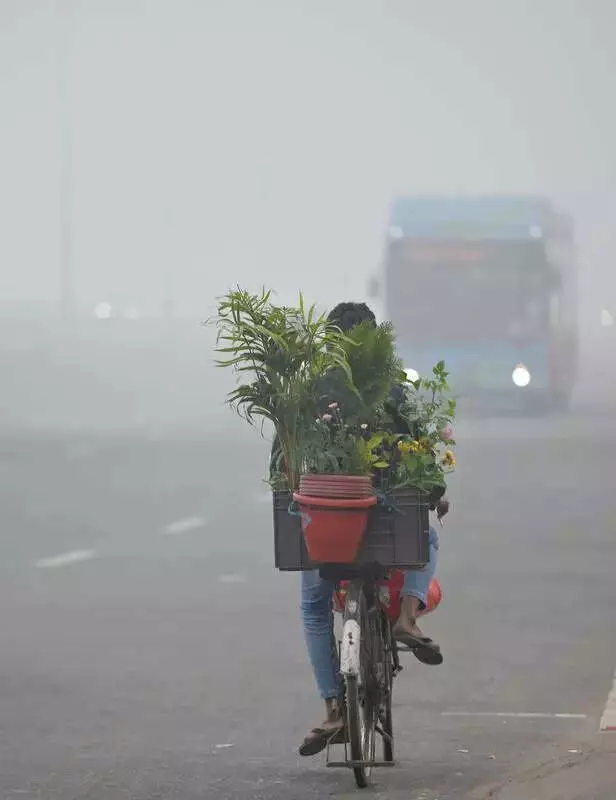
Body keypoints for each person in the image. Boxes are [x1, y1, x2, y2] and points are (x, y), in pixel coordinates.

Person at [282, 301, 449, 757]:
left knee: (314, 608)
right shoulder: (391, 388)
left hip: (325, 524)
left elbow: (283, 458)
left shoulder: (311, 390)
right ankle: (406, 619)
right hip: (383, 519)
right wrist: (435, 492)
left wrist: (287, 491)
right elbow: (423, 451)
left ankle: (334, 708)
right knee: (428, 535)